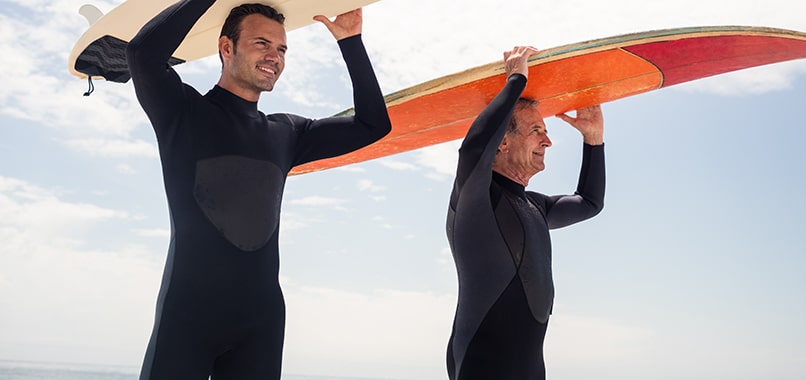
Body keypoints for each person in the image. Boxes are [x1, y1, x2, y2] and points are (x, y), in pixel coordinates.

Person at [125, 1, 391, 379]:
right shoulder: (182, 113)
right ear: (226, 48)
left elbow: (373, 125)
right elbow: (142, 53)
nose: (274, 57)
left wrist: (351, 41)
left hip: (261, 324)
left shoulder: (287, 133)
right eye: (262, 43)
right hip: (188, 319)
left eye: (282, 49)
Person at [445, 45, 606, 380]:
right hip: (481, 367)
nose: (548, 141)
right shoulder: (477, 201)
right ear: (502, 142)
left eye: (546, 132)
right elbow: (473, 150)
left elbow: (590, 202)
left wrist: (594, 139)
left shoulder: (536, 206)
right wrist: (515, 81)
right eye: (537, 131)